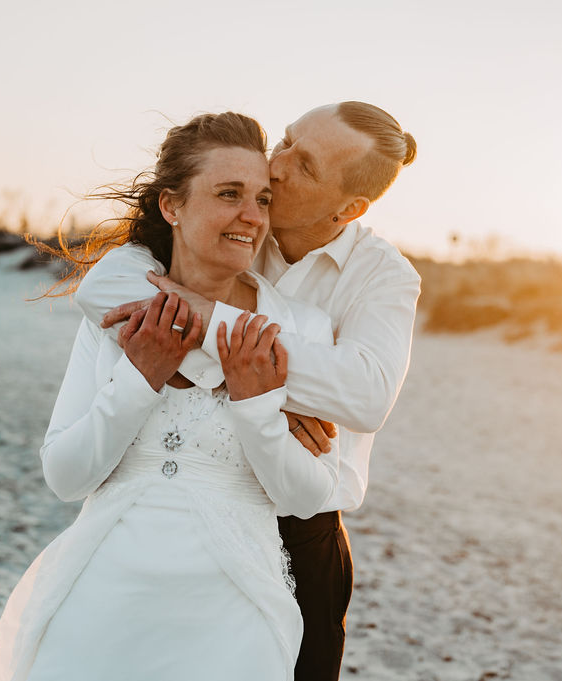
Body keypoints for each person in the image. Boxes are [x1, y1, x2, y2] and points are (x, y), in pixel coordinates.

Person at [0, 112, 343, 681]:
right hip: (102, 597)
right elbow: (64, 476)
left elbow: (308, 495)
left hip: (233, 612)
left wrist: (255, 407)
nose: (252, 217)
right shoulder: (120, 310)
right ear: (171, 206)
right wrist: (140, 378)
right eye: (229, 194)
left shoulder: (300, 330)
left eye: (263, 199)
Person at [76, 101, 421, 681]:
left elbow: (366, 398)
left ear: (350, 208)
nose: (277, 165)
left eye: (304, 164)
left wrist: (208, 325)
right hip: (185, 499)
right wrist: (260, 393)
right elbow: (106, 290)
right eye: (285, 141)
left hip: (299, 521)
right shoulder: (232, 217)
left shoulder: (383, 275)